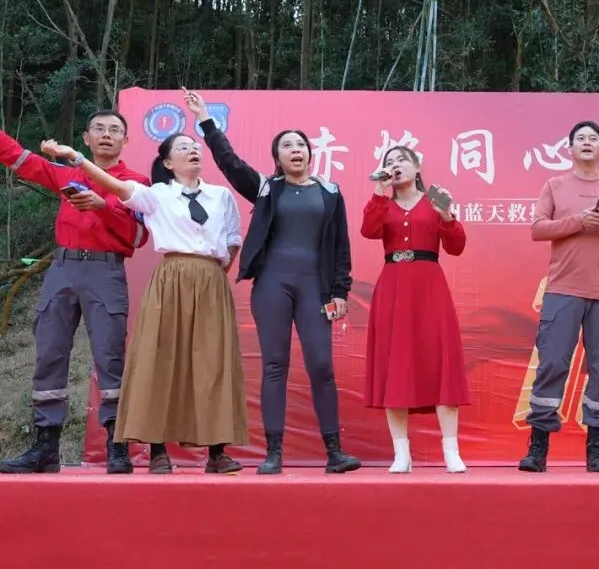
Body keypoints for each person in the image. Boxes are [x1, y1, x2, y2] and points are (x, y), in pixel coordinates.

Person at [40, 134, 248, 474]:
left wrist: (212, 275)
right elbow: (113, 185)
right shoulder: (157, 195)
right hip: (170, 279)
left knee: (214, 363)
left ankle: (217, 452)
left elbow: (232, 241)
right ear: (167, 162)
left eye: (195, 147)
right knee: (159, 360)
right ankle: (157, 452)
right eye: (183, 148)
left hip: (211, 279)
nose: (193, 151)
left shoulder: (221, 196)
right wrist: (77, 158)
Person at [184, 89, 360, 475]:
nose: (295, 149)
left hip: (316, 288)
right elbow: (230, 163)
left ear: (310, 153)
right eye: (287, 146)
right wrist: (205, 119)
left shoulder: (330, 192)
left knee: (321, 365)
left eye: (300, 145)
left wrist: (340, 292)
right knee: (275, 364)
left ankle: (335, 453)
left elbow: (341, 247)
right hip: (272, 285)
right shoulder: (267, 189)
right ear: (277, 157)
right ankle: (273, 453)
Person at [0, 113, 148, 475]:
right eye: (99, 129)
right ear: (85, 138)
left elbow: (137, 236)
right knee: (49, 352)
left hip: (105, 270)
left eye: (115, 130)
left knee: (110, 356)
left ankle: (117, 447)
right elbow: (20, 159)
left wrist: (104, 207)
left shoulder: (135, 182)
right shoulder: (67, 174)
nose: (107, 135)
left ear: (125, 141)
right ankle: (46, 447)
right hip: (63, 268)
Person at [518, 120, 599, 474]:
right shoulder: (554, 186)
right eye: (580, 139)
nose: (587, 143)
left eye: (593, 139)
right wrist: (579, 222)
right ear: (570, 149)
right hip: (562, 290)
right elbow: (537, 229)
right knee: (552, 364)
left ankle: (596, 450)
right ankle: (538, 448)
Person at [361, 146, 470, 473]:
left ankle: (451, 450)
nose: (395, 166)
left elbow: (457, 246)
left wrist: (447, 216)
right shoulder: (383, 202)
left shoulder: (434, 198)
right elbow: (369, 230)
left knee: (440, 362)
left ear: (417, 166)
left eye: (402, 160)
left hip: (429, 287)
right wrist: (379, 192)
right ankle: (401, 453)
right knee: (395, 364)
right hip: (393, 288)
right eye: (389, 162)